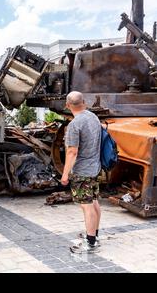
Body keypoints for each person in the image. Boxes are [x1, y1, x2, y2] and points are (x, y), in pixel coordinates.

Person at [61, 92, 102, 254]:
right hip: (95, 168)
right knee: (94, 201)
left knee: (87, 206)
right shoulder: (93, 117)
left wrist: (65, 174)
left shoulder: (75, 124)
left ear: (67, 105)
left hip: (82, 171)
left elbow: (72, 152)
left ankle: (91, 242)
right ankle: (94, 234)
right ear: (84, 102)